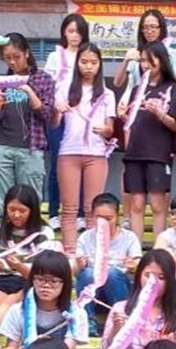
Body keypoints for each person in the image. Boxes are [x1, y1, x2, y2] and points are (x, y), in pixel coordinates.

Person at [54, 43, 117, 255]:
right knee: (69, 209)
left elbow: (111, 129)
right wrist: (57, 110)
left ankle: (92, 254)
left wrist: (105, 129)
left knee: (93, 210)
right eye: (84, 62)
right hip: (68, 152)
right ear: (77, 63)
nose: (88, 67)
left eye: (93, 62)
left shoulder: (107, 94)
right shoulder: (64, 88)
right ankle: (70, 254)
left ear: (100, 65)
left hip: (96, 154)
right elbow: (54, 124)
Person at [0, 33, 56, 220]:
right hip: (2, 145)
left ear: (27, 53)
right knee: (2, 203)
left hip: (30, 148)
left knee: (30, 201)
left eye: (16, 57)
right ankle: (0, 238)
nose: (12, 62)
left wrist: (30, 93)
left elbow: (47, 115)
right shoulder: (1, 82)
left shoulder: (42, 79)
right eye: (7, 58)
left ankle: (32, 239)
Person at [119, 40, 176, 239]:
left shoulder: (173, 88)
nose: (145, 65)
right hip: (134, 152)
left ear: (162, 61)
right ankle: (137, 251)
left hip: (158, 153)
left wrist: (159, 113)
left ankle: (159, 248)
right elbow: (130, 120)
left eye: (150, 60)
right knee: (136, 204)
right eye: (142, 61)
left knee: (157, 204)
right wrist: (125, 116)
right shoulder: (138, 88)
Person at [0, 184, 57, 329]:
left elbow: (44, 274)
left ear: (33, 211)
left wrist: (18, 266)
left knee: (9, 303)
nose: (16, 215)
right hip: (2, 280)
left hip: (31, 282)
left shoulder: (44, 233)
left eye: (22, 211)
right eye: (12, 210)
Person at [0, 251, 77, 349]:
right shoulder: (18, 311)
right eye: (40, 279)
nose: (45, 286)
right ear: (32, 280)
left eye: (53, 281)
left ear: (65, 283)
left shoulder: (75, 313)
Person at [73, 193, 145, 331]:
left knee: (111, 273)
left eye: (108, 218)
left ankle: (122, 316)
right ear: (92, 216)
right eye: (99, 218)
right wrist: (80, 264)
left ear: (117, 216)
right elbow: (77, 273)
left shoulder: (129, 237)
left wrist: (133, 266)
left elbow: (139, 266)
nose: (103, 222)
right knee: (88, 273)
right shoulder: (85, 237)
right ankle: (88, 320)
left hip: (120, 291)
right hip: (94, 293)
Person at [44, 13, 90, 230]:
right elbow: (47, 86)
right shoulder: (56, 56)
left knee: (80, 163)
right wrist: (56, 103)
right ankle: (54, 212)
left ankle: (80, 213)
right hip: (59, 115)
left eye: (78, 32)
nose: (74, 36)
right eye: (71, 31)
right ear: (64, 32)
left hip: (81, 117)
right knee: (56, 164)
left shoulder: (87, 55)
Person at [113, 8, 176, 93]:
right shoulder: (135, 53)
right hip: (137, 101)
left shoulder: (173, 54)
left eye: (153, 27)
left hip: (162, 102)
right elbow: (117, 83)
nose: (149, 31)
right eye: (145, 27)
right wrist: (126, 61)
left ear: (161, 28)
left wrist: (166, 62)